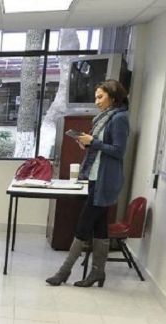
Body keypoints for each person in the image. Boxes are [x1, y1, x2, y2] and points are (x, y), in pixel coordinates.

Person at [47, 80, 130, 288]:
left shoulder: (119, 118)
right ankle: (98, 273)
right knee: (100, 227)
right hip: (95, 177)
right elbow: (101, 149)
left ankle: (63, 272)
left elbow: (119, 151)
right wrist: (87, 143)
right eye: (96, 97)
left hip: (106, 180)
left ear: (113, 97)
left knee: (83, 226)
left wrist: (94, 142)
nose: (96, 101)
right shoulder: (102, 118)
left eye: (100, 97)